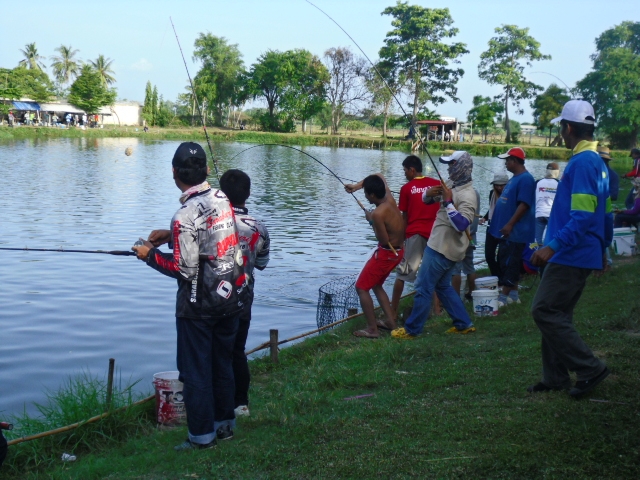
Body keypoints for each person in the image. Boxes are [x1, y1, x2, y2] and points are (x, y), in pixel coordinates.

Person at [132, 142, 247, 450]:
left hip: (198, 307)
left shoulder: (183, 215)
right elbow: (211, 230)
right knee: (222, 365)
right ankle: (225, 426)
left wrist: (149, 255)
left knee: (195, 372)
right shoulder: (222, 198)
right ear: (207, 171)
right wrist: (170, 236)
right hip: (231, 298)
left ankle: (201, 437)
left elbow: (184, 270)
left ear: (174, 173)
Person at [529, 99, 612, 397]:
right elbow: (606, 212)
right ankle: (555, 377)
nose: (561, 135)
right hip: (583, 250)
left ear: (568, 128)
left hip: (570, 253)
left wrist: (552, 247)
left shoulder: (582, 163)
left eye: (561, 130)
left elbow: (582, 216)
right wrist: (603, 249)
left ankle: (590, 367)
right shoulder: (598, 163)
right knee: (557, 313)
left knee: (544, 310)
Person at [391, 151, 477, 339]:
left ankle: (412, 329)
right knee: (443, 286)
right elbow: (429, 201)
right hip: (438, 242)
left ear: (461, 166)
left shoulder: (469, 195)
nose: (449, 168)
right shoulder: (452, 185)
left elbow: (463, 224)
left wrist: (447, 202)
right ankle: (464, 323)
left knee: (423, 286)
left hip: (443, 248)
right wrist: (428, 194)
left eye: (452, 164)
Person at [218, 169, 270, 418]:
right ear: (248, 194)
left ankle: (217, 404)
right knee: (237, 351)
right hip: (244, 298)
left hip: (214, 301)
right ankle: (241, 404)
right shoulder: (259, 227)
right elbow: (261, 263)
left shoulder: (212, 224)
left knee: (216, 353)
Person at [345, 175, 405, 339]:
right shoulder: (389, 200)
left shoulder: (378, 213)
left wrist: (371, 221)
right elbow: (379, 176)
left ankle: (372, 329)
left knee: (361, 287)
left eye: (365, 192)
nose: (364, 195)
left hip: (387, 254)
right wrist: (356, 186)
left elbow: (383, 240)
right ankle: (391, 322)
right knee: (376, 284)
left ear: (371, 195)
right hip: (399, 252)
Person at [390, 155, 440, 324]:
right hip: (434, 234)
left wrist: (401, 238)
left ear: (412, 170)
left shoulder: (406, 188)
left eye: (405, 170)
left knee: (403, 274)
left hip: (415, 234)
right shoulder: (436, 183)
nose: (404, 173)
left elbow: (404, 216)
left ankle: (393, 312)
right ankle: (438, 310)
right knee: (432, 274)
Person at [489, 147, 536, 307]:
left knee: (510, 263)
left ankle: (502, 299)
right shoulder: (515, 178)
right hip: (507, 233)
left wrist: (510, 224)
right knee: (507, 261)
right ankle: (514, 296)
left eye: (507, 161)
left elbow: (524, 204)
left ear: (514, 161)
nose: (505, 164)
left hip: (516, 232)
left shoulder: (526, 179)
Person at [452, 187, 480, 301]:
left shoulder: (459, 194)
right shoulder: (475, 192)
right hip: (472, 235)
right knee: (469, 266)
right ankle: (472, 293)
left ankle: (455, 298)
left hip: (461, 237)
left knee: (456, 269)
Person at [480, 173, 509, 277]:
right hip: (492, 226)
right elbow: (493, 210)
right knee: (489, 255)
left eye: (502, 185)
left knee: (502, 256)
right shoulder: (492, 193)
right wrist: (484, 218)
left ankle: (503, 278)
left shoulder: (511, 194)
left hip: (505, 228)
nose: (499, 187)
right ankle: (496, 276)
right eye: (497, 185)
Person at [534, 163, 560, 245]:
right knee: (551, 239)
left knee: (537, 241)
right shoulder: (559, 183)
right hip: (551, 215)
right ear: (557, 172)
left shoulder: (538, 182)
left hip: (539, 214)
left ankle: (535, 254)